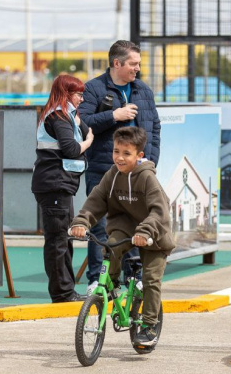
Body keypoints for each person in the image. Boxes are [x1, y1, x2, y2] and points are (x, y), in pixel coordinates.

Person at [70, 126, 174, 347]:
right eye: (116, 151)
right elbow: (96, 200)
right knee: (112, 246)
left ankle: (149, 325)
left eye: (127, 153)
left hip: (154, 234)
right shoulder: (112, 175)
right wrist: (81, 222)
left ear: (139, 155)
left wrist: (145, 231)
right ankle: (112, 284)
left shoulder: (147, 178)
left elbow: (159, 211)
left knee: (151, 279)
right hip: (125, 227)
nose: (119, 157)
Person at [78, 40, 161, 295]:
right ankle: (97, 280)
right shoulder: (94, 88)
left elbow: (155, 127)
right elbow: (83, 122)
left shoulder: (143, 91)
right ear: (117, 63)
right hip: (103, 169)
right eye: (133, 64)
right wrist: (114, 115)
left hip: (138, 172)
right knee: (100, 226)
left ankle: (133, 277)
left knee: (136, 223)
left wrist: (151, 162)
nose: (138, 68)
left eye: (138, 64)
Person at [32, 74, 94, 303]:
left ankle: (65, 291)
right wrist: (88, 143)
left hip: (59, 184)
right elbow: (71, 149)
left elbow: (86, 131)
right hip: (55, 184)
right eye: (78, 95)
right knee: (59, 240)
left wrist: (78, 121)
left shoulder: (64, 115)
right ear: (67, 94)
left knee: (63, 239)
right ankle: (62, 293)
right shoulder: (58, 117)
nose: (81, 99)